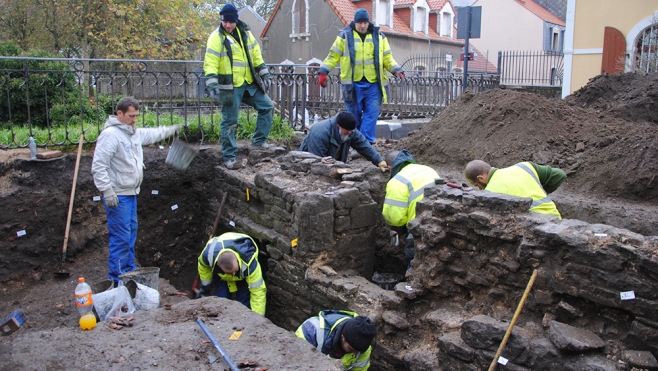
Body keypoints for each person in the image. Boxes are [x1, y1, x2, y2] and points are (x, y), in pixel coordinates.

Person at [91, 97, 180, 285]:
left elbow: (150, 134)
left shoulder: (132, 133)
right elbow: (99, 166)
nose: (134, 120)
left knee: (130, 233)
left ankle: (129, 273)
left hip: (131, 193)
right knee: (121, 238)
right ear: (119, 114)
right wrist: (107, 191)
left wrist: (171, 130)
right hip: (118, 195)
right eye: (131, 116)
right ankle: (117, 280)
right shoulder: (111, 135)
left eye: (137, 116)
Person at [203, 4, 275, 169]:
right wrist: (212, 83)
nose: (227, 25)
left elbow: (256, 55)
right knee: (230, 121)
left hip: (248, 82)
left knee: (267, 106)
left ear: (236, 21)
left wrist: (264, 74)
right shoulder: (216, 37)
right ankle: (229, 157)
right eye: (225, 21)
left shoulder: (246, 34)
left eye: (231, 22)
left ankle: (258, 142)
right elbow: (211, 62)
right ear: (221, 20)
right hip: (230, 86)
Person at [317, 9, 404, 144]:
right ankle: (356, 143)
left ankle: (365, 143)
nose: (363, 26)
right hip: (353, 84)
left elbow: (387, 58)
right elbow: (333, 56)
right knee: (354, 117)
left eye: (365, 22)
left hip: (374, 84)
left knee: (372, 114)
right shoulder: (345, 36)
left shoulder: (379, 37)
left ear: (369, 22)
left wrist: (396, 70)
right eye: (360, 23)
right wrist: (323, 71)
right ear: (355, 22)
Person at [382, 150, 439, 269]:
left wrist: (399, 230)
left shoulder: (397, 182)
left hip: (419, 227)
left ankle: (410, 284)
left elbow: (394, 217)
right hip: (439, 221)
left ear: (390, 167)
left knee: (414, 262)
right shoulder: (427, 169)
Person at [464, 160, 566, 219]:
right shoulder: (524, 166)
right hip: (555, 220)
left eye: (477, 185)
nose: (480, 189)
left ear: (481, 178)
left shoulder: (490, 192)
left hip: (533, 227)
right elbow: (559, 175)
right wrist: (541, 190)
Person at [196, 232, 266, 315]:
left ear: (237, 259)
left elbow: (258, 292)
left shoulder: (250, 264)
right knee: (221, 302)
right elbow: (203, 268)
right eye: (229, 272)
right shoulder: (208, 256)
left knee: (244, 305)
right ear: (218, 265)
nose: (233, 274)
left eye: (235, 270)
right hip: (221, 277)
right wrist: (206, 287)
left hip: (243, 277)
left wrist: (258, 318)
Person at [300, 111, 387, 171]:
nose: (350, 133)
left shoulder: (349, 130)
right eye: (347, 130)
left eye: (351, 130)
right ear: (338, 126)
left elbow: (363, 144)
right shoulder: (320, 133)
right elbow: (317, 161)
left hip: (333, 166)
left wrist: (379, 160)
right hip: (306, 168)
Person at [296, 310, 376, 371]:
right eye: (351, 349)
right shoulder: (311, 331)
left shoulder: (362, 347)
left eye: (358, 351)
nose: (355, 353)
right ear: (342, 336)